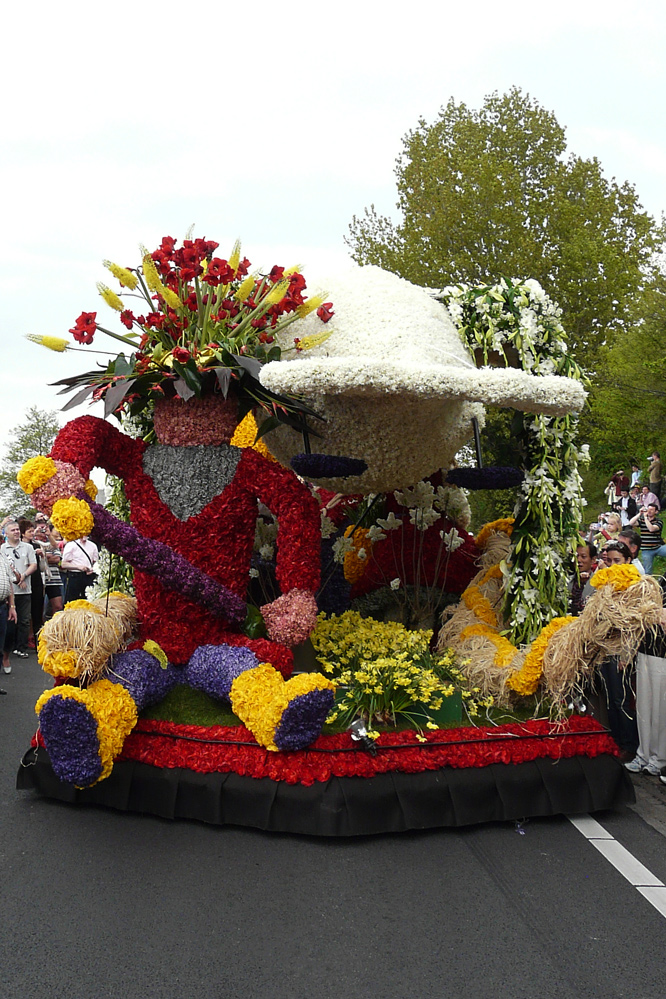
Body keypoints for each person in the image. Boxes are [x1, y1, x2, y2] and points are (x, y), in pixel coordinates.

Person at [596, 540, 639, 760]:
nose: (613, 565)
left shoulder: (634, 585)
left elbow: (634, 623)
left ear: (629, 560)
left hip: (621, 651)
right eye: (609, 561)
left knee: (621, 700)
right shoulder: (606, 583)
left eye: (617, 561)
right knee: (611, 698)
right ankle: (615, 741)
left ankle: (629, 745)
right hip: (605, 648)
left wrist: (626, 653)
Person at [625, 577, 666, 776]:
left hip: (662, 655)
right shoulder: (658, 583)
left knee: (660, 708)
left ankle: (659, 759)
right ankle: (643, 754)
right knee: (644, 705)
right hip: (645, 650)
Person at [0, 519, 37, 659]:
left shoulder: (28, 547)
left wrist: (23, 576)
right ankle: (7, 649)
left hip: (25, 589)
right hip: (9, 591)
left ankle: (21, 647)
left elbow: (33, 564)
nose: (16, 532)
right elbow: (5, 567)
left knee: (24, 620)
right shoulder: (2, 548)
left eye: (17, 529)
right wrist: (15, 579)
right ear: (6, 533)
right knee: (9, 622)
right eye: (13, 530)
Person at [60, 534, 99, 603]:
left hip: (88, 577)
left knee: (89, 601)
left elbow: (96, 562)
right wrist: (78, 567)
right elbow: (63, 564)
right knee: (73, 601)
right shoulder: (71, 545)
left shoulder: (93, 545)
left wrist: (93, 569)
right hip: (75, 576)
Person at [629, 503, 666, 574]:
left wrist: (646, 518)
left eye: (651, 510)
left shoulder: (659, 521)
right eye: (648, 509)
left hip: (658, 547)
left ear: (656, 512)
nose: (649, 511)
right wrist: (639, 514)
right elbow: (631, 523)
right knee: (648, 570)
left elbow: (651, 529)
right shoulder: (642, 520)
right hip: (646, 549)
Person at [0, 548, 17, 682]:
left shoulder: (3, 556)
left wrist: (12, 606)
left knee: (1, 645)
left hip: (2, 605)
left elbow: (10, 583)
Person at [570, 541, 598, 615]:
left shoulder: (598, 584)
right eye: (576, 556)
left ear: (593, 560)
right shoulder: (566, 581)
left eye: (583, 557)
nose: (578, 560)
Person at [43, 522, 64, 616]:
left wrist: (43, 556)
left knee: (58, 606)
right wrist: (47, 556)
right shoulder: (31, 545)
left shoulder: (53, 544)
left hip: (54, 579)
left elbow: (57, 558)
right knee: (38, 608)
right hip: (40, 581)